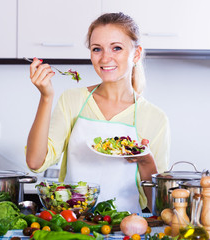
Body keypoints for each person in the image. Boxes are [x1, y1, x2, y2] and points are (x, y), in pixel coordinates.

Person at [26, 12, 170, 213]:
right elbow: (35, 162)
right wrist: (46, 97)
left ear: (136, 54)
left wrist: (146, 160)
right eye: (97, 49)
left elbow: (159, 206)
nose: (105, 58)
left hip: (125, 226)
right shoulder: (72, 100)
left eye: (116, 48)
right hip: (73, 224)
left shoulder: (154, 117)